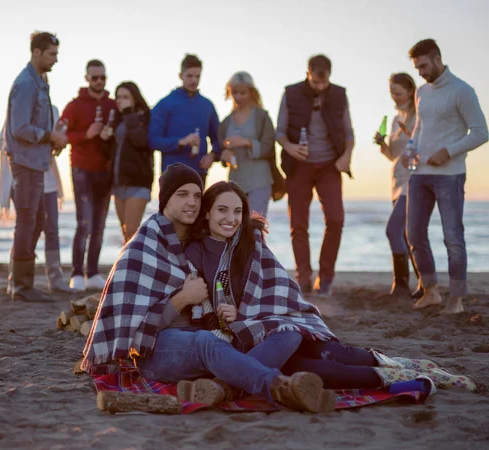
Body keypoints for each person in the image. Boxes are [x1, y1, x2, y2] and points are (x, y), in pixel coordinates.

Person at [179, 181, 475, 403]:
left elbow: (277, 291)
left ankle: (409, 366)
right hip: (239, 341)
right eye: (221, 210)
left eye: (237, 211)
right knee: (317, 372)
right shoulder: (192, 253)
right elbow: (198, 306)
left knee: (332, 352)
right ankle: (402, 381)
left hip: (274, 326)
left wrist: (243, 313)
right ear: (206, 214)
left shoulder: (251, 244)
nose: (230, 218)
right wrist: (223, 315)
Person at [82, 163, 337, 414]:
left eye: (196, 195)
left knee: (287, 331)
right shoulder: (143, 248)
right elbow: (136, 331)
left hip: (211, 342)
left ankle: (220, 389)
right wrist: (182, 299)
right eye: (182, 195)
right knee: (205, 342)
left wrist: (234, 313)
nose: (192, 202)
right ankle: (280, 387)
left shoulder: (199, 240)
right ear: (166, 201)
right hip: (159, 352)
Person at [404, 39, 488, 314]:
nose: (421, 72)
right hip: (420, 174)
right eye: (417, 68)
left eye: (424, 66)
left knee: (452, 236)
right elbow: (420, 127)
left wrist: (448, 151)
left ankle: (456, 299)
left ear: (437, 58)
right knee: (414, 232)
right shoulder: (421, 92)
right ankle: (430, 291)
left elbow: (480, 132)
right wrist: (410, 149)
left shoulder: (463, 91)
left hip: (450, 175)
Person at [276, 54, 355, 297]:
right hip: (299, 166)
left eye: (324, 82)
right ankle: (303, 277)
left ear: (329, 76)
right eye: (316, 82)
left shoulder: (339, 94)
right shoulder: (290, 93)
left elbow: (349, 133)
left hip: (330, 166)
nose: (321, 86)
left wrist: (346, 157)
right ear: (307, 73)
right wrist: (290, 147)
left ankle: (326, 277)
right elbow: (279, 132)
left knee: (336, 219)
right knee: (298, 224)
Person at [3, 31, 67, 302]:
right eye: (51, 54)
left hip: (36, 162)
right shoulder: (27, 83)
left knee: (36, 220)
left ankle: (20, 283)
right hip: (25, 163)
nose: (55, 60)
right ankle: (21, 286)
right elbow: (19, 128)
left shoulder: (40, 81)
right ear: (37, 52)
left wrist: (52, 140)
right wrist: (49, 135)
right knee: (28, 221)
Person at [0, 105, 73, 294]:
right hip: (23, 178)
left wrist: (57, 144)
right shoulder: (20, 109)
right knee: (27, 226)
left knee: (52, 228)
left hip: (47, 180)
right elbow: (3, 142)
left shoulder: (53, 111)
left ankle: (55, 279)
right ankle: (16, 278)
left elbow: (54, 146)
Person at [61, 60, 117, 292]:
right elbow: (62, 136)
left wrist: (109, 134)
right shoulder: (74, 106)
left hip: (105, 171)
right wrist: (87, 133)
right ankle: (77, 273)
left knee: (99, 225)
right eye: (94, 77)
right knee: (84, 223)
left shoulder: (112, 105)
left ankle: (93, 272)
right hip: (81, 169)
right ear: (86, 78)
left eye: (103, 77)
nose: (99, 81)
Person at [373, 73, 422, 298]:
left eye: (398, 93)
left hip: (414, 180)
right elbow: (393, 154)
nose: (394, 97)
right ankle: (422, 283)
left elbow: (423, 146)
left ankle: (402, 284)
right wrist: (383, 144)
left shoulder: (419, 115)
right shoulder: (394, 119)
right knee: (406, 234)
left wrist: (412, 134)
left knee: (393, 230)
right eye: (391, 93)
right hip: (397, 180)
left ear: (411, 92)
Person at [149, 54, 221, 184]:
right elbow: (153, 140)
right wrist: (180, 142)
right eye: (189, 76)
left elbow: (218, 138)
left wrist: (212, 156)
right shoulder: (165, 104)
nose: (194, 80)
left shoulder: (207, 105)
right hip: (172, 173)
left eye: (198, 76)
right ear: (180, 76)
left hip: (199, 174)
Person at [218, 71, 277, 217]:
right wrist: (224, 156)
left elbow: (268, 147)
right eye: (234, 93)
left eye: (242, 93)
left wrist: (246, 142)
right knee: (235, 227)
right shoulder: (226, 122)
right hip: (235, 182)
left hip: (259, 181)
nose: (238, 97)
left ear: (251, 92)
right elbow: (221, 150)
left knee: (255, 227)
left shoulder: (262, 117)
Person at [100, 82, 153, 243]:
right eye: (118, 97)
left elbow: (141, 141)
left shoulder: (143, 118)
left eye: (125, 97)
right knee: (125, 232)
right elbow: (113, 153)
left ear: (135, 99)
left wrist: (129, 114)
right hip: (118, 184)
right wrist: (104, 139)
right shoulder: (119, 119)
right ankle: (127, 267)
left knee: (132, 231)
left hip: (138, 183)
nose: (120, 100)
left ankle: (137, 267)